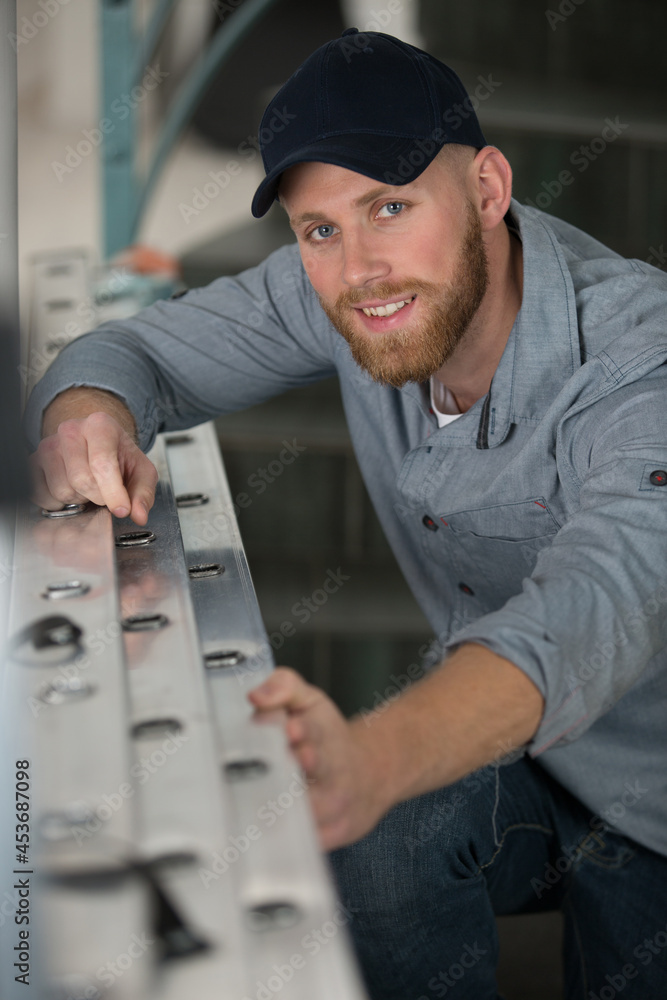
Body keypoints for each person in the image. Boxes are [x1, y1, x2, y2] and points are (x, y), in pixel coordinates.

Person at [26, 29, 667, 1000]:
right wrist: (88, 416)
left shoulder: (635, 363)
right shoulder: (350, 288)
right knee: (368, 841)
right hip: (528, 755)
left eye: (390, 207)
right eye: (318, 227)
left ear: (489, 190)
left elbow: (591, 612)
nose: (359, 266)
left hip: (656, 795)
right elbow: (135, 354)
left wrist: (370, 758)